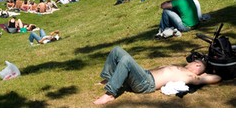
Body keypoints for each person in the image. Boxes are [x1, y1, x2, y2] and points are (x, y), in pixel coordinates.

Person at [93, 46, 221, 105]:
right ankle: (110, 79)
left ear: (198, 67)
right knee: (117, 50)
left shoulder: (191, 76)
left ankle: (110, 94)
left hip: (146, 84)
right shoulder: (181, 68)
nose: (193, 61)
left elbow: (216, 78)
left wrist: (204, 75)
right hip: (144, 75)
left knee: (126, 59)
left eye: (196, 62)